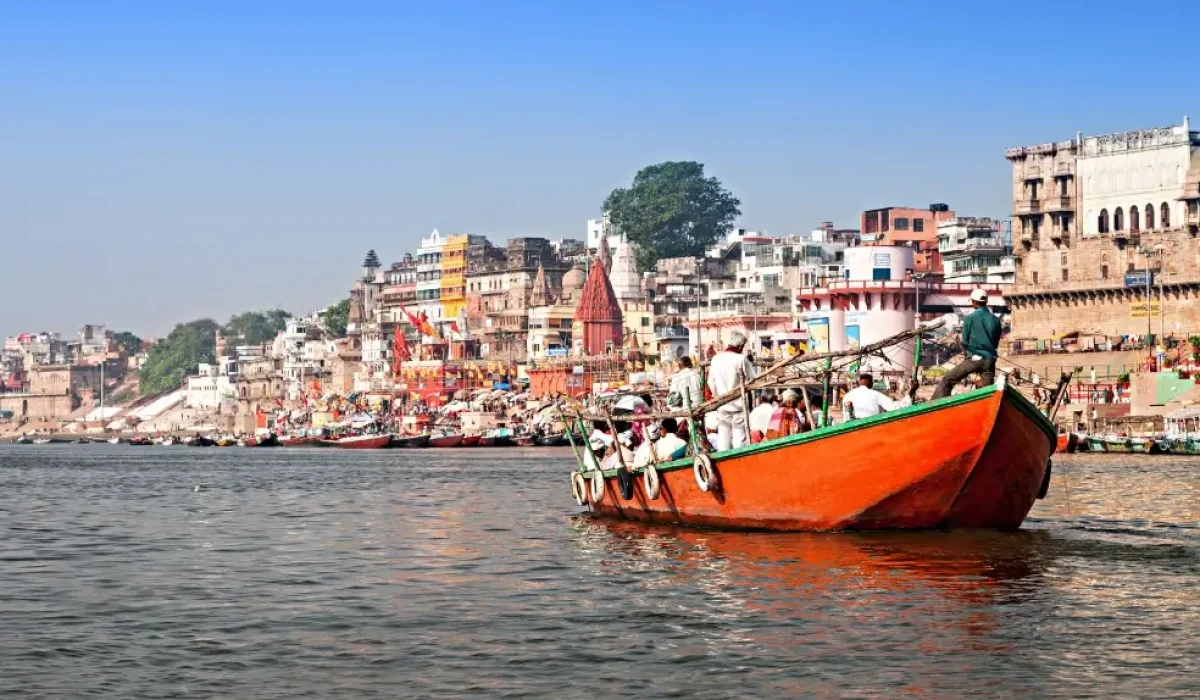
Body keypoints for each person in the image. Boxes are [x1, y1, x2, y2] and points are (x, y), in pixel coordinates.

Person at [933, 289, 1002, 399]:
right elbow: (996, 342)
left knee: (947, 380)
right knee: (987, 392)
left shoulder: (970, 318)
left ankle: (936, 406)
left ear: (974, 302)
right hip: (990, 360)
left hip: (974, 359)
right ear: (986, 301)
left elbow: (965, 342)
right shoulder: (995, 320)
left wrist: (967, 354)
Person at [706, 331, 758, 450]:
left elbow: (710, 382)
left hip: (722, 404)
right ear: (740, 346)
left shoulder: (716, 359)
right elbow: (752, 379)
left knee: (723, 439)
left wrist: (717, 395)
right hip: (739, 406)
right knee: (740, 441)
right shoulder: (741, 359)